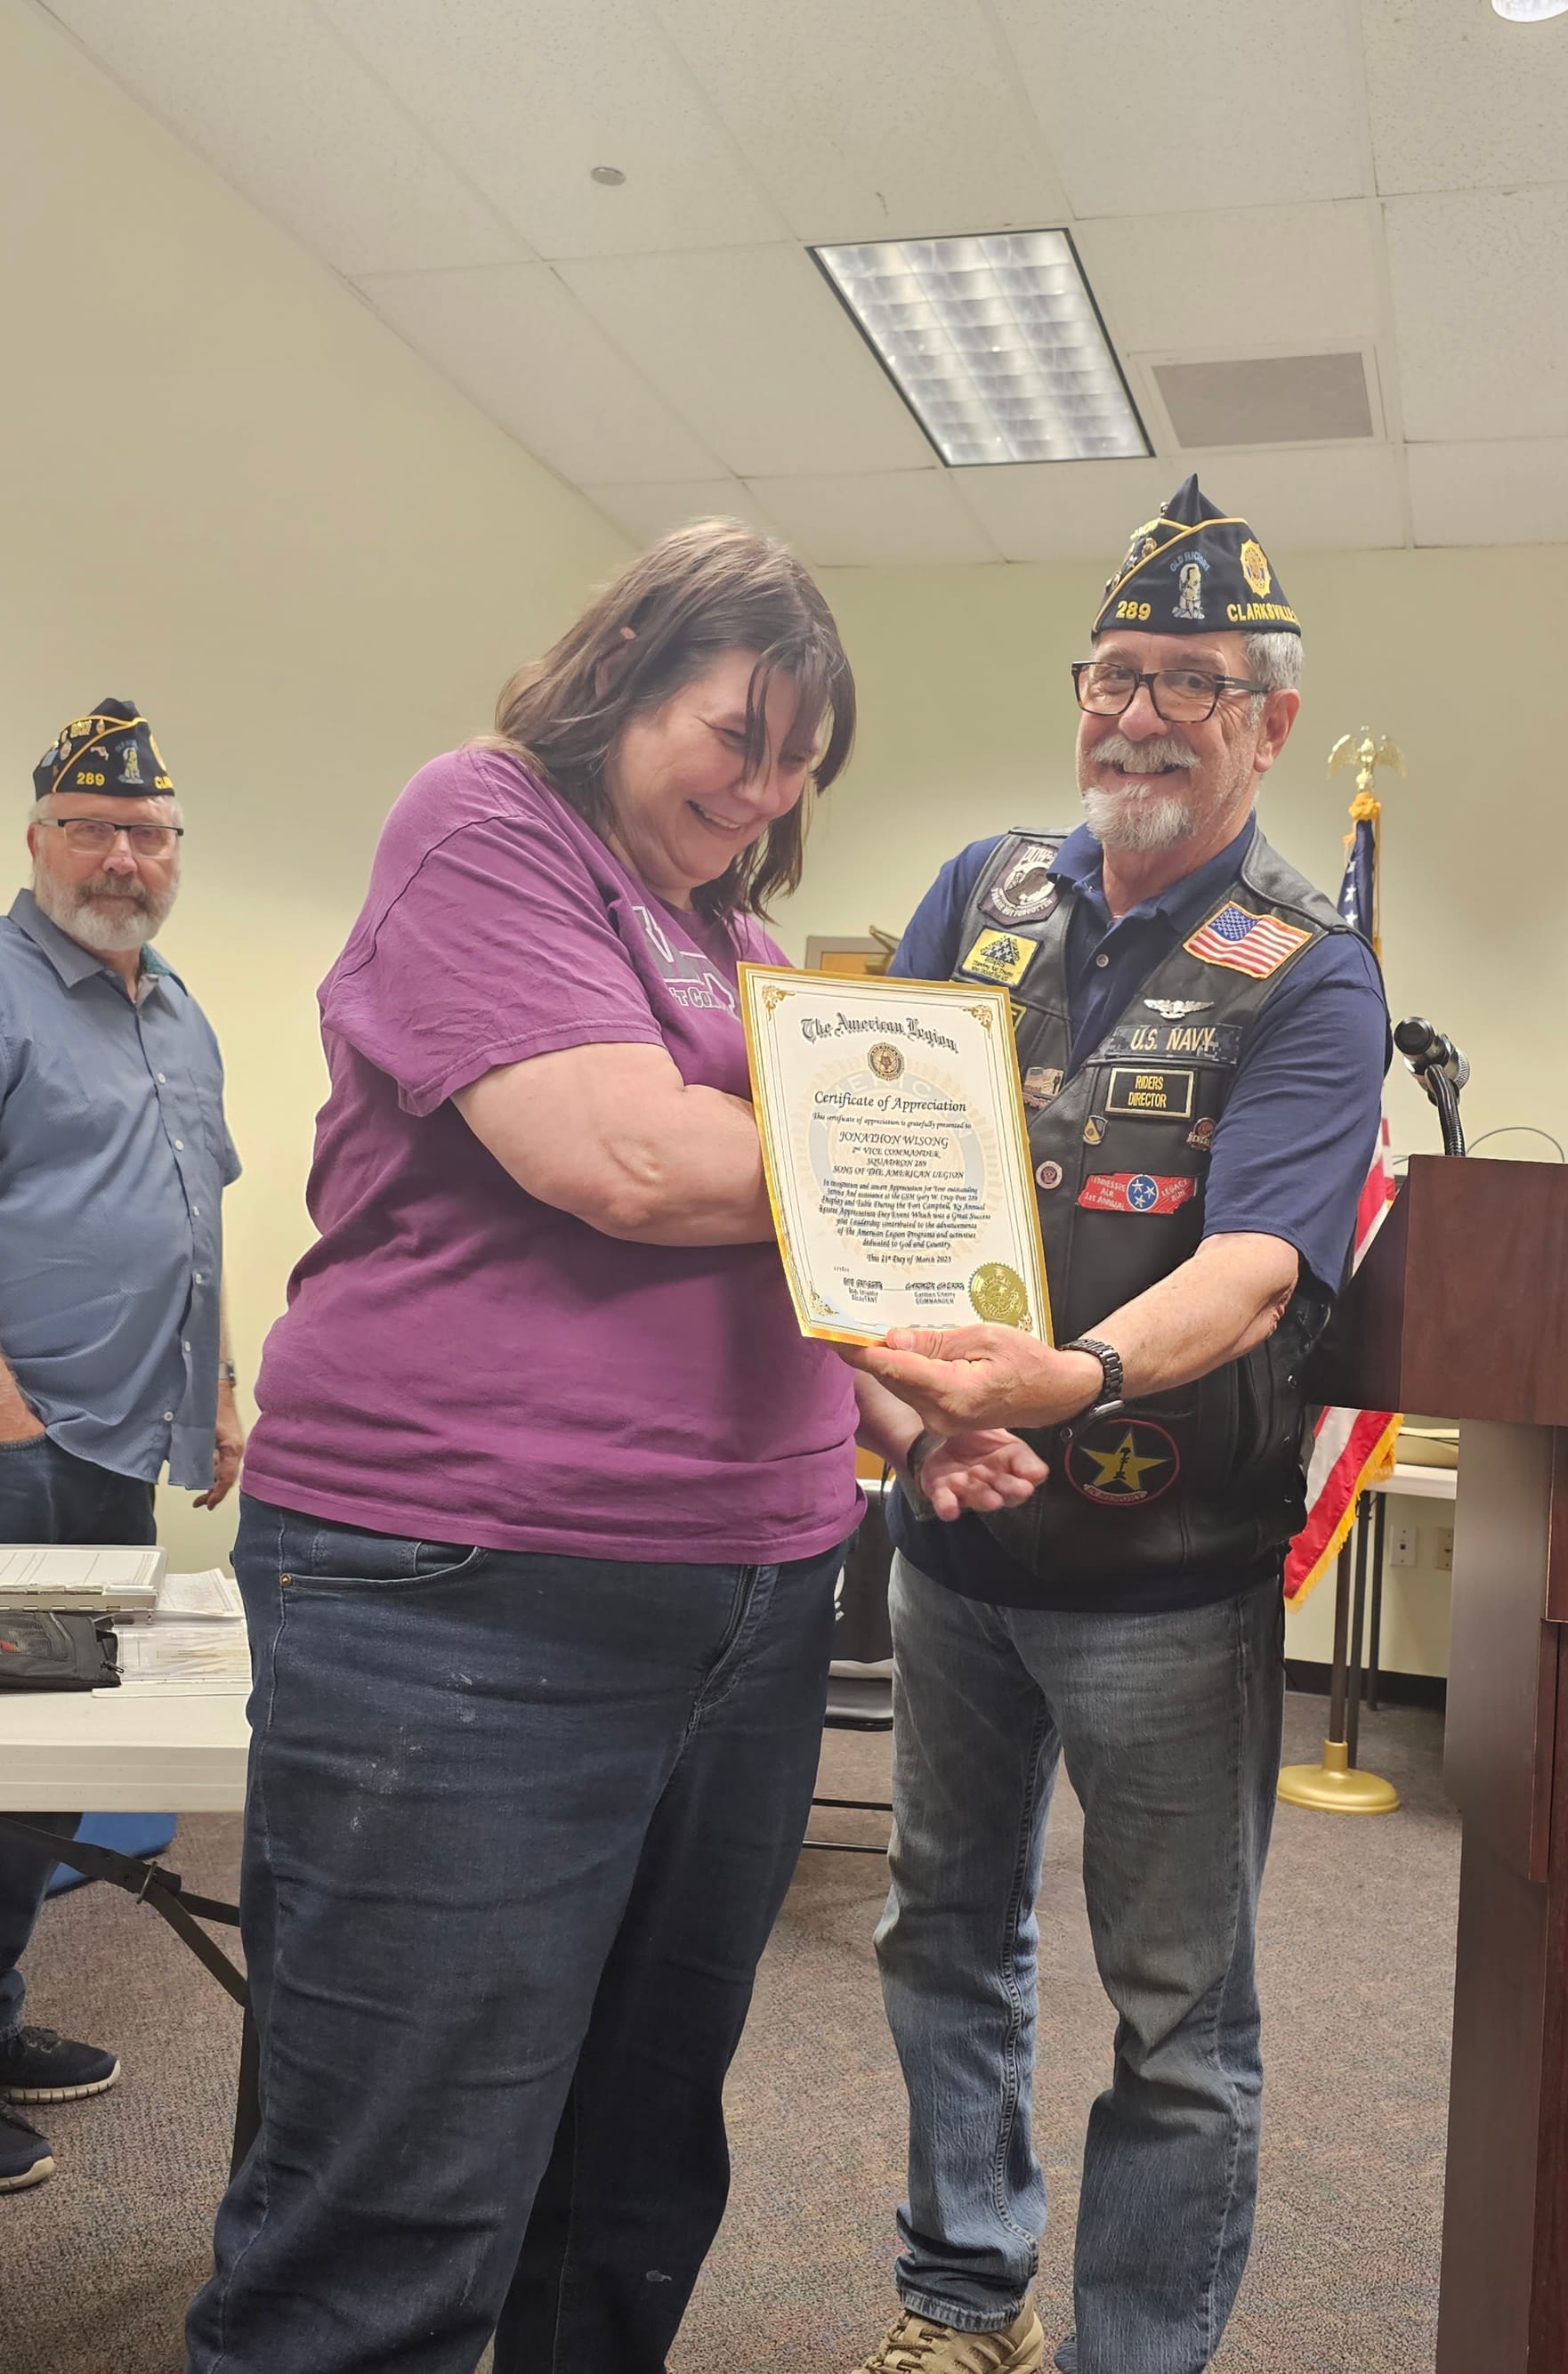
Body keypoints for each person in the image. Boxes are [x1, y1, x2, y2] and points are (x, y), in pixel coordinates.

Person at [183, 523, 1040, 2374]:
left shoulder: (727, 936)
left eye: (801, 761)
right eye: (735, 733)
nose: (761, 787)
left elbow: (775, 1245)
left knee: (628, 2190)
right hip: (471, 1597)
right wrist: (954, 1157)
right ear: (623, 677)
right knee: (394, 2209)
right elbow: (626, 1162)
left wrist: (901, 1402)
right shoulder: (485, 824)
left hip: (742, 1602)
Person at [842, 476, 1392, 2374]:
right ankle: (956, 2297)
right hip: (953, 1538)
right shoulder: (977, 891)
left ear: (1268, 722)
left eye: (1186, 680)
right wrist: (908, 1405)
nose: (1136, 712)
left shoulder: (1309, 970)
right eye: (1112, 673)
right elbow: (869, 1161)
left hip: (1167, 1577)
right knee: (941, 1936)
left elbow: (1254, 1270)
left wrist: (1059, 1382)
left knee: (1174, 2010)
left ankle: (1133, 2354)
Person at [0, 699, 242, 2196]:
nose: (124, 856)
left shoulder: (176, 1004)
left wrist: (216, 1390)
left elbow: (195, 1214)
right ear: (37, 843)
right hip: (21, 1445)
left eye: (149, 833)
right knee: (4, 1758)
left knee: (43, 1768)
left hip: (120, 1443)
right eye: (92, 827)